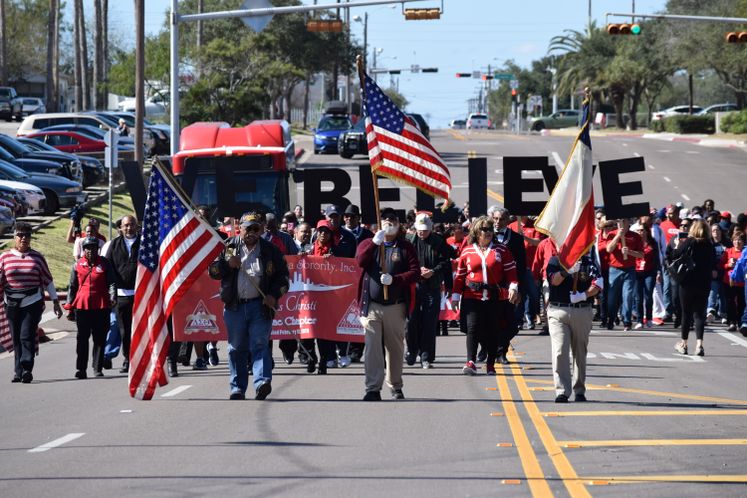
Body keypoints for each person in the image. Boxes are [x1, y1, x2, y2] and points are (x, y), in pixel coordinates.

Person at [208, 212, 289, 400]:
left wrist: (273, 295)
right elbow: (212, 271)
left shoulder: (271, 250)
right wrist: (227, 265)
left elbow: (283, 278)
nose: (252, 232)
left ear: (261, 230)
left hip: (260, 306)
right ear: (240, 229)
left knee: (260, 344)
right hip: (234, 306)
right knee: (236, 348)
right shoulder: (228, 247)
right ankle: (237, 388)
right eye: (248, 228)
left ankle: (262, 383)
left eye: (256, 228)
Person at [356, 208, 419, 401]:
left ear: (398, 223)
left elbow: (415, 272)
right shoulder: (368, 243)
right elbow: (360, 261)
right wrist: (374, 243)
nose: (389, 222)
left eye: (392, 219)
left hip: (396, 305)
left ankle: (395, 385)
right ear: (379, 223)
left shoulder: (405, 247)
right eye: (385, 219)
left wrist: (395, 279)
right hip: (372, 306)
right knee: (372, 347)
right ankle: (373, 388)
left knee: (395, 348)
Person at [452, 216, 519, 375]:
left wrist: (513, 287)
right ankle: (471, 361)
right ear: (476, 232)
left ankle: (490, 364)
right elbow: (460, 276)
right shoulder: (467, 250)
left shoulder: (501, 250)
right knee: (472, 328)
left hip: (494, 297)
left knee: (493, 330)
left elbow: (511, 273)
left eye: (490, 229)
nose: (488, 232)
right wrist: (455, 295)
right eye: (484, 229)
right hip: (471, 296)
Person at [0, 223, 63, 383]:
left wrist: (55, 301)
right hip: (11, 302)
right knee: (16, 337)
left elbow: (48, 281)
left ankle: (27, 367)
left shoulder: (37, 258)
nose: (24, 238)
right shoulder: (5, 257)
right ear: (14, 237)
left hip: (32, 301)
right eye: (20, 235)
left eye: (27, 235)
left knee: (26, 334)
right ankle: (18, 371)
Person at [546, 252, 602, 403]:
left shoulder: (589, 262)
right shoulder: (555, 260)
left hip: (582, 310)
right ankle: (562, 391)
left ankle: (579, 389)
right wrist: (566, 271)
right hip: (558, 311)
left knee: (579, 351)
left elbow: (598, 283)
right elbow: (554, 281)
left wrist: (583, 295)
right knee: (560, 350)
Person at [405, 213, 453, 369]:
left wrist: (433, 271)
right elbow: (404, 262)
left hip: (432, 287)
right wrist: (416, 271)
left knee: (429, 322)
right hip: (414, 286)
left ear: (430, 229)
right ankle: (412, 351)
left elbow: (446, 261)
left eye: (425, 230)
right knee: (411, 321)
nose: (422, 233)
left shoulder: (438, 242)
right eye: (420, 229)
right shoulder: (409, 241)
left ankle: (426, 356)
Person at [67, 236, 116, 379]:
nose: (90, 251)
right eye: (87, 248)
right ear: (84, 250)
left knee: (99, 338)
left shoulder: (105, 263)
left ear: (97, 249)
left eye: (93, 248)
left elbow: (112, 283)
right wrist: (70, 308)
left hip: (101, 305)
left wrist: (112, 297)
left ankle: (97, 367)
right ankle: (81, 369)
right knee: (82, 338)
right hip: (82, 306)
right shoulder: (77, 265)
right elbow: (72, 287)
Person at [671, 219, 717, 356]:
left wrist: (677, 245)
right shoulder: (709, 244)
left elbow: (675, 255)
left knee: (686, 313)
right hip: (704, 283)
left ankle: (684, 343)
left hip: (688, 282)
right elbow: (713, 262)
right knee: (699, 314)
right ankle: (699, 345)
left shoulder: (690, 241)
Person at [103, 215, 140, 373]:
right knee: (124, 330)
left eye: (131, 225)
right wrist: (111, 294)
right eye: (125, 225)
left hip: (141, 294)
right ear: (121, 227)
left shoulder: (145, 243)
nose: (129, 228)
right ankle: (128, 358)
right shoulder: (113, 245)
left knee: (139, 328)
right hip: (122, 296)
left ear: (136, 226)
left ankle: (141, 358)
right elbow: (108, 269)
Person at [490, 207, 525, 363]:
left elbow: (522, 267)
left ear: (508, 220)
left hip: (510, 287)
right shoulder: (486, 236)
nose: (498, 222)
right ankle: (489, 350)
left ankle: (502, 351)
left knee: (511, 322)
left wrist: (519, 289)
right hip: (490, 286)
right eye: (495, 219)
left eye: (501, 219)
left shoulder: (516, 239)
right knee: (491, 320)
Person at [601, 219, 643, 331]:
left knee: (628, 296)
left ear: (628, 223)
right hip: (614, 269)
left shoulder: (635, 236)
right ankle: (611, 319)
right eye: (619, 222)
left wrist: (629, 252)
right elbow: (609, 249)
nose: (621, 224)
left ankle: (627, 321)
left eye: (624, 222)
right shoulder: (612, 234)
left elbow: (641, 254)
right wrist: (618, 236)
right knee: (612, 298)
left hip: (629, 270)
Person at [633, 221, 660, 329]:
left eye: (642, 230)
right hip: (637, 272)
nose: (640, 232)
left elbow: (657, 259)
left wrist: (658, 272)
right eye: (638, 230)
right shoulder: (634, 242)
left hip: (650, 272)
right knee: (638, 297)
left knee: (648, 296)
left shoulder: (653, 243)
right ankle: (640, 320)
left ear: (646, 231)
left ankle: (648, 319)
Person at [723, 231, 745, 332]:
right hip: (730, 281)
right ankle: (732, 322)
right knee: (730, 302)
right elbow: (720, 265)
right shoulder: (728, 251)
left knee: (742, 303)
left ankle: (741, 323)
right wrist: (728, 265)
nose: (737, 242)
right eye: (735, 240)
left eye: (739, 240)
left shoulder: (745, 252)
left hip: (742, 282)